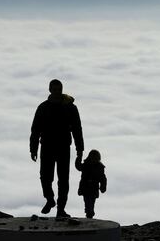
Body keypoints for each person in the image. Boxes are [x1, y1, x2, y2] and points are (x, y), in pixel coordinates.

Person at [30, 79, 84, 218]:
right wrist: (33, 148)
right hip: (47, 146)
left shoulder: (70, 108)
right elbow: (35, 129)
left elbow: (77, 129)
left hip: (63, 147)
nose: (56, 92)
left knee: (63, 180)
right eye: (54, 89)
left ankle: (61, 209)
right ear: (50, 90)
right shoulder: (43, 107)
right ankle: (50, 199)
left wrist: (80, 151)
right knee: (45, 177)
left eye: (59, 89)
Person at [75, 149, 107, 219]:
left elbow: (103, 178)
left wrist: (103, 187)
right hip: (86, 188)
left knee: (91, 203)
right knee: (88, 203)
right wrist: (79, 157)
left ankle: (90, 214)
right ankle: (89, 213)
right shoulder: (86, 165)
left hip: (93, 189)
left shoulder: (99, 167)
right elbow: (78, 167)